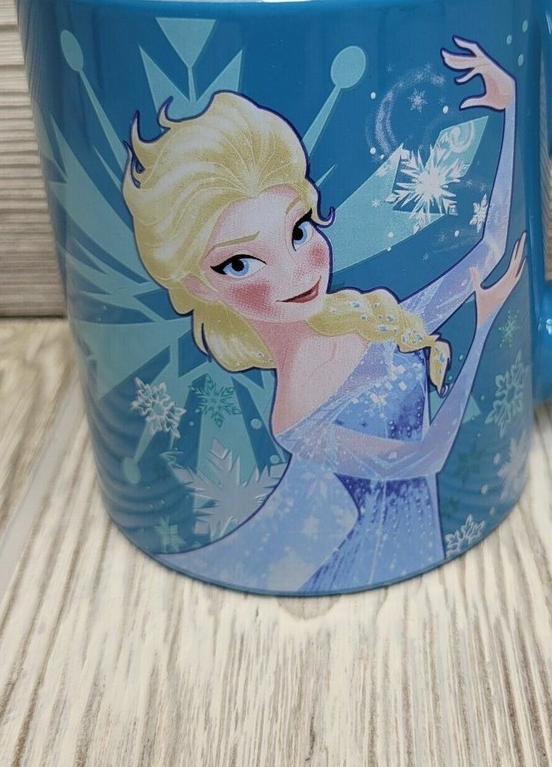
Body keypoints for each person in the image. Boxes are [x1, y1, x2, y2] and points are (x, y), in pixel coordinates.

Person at [122, 37, 525, 592]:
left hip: (429, 552)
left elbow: (489, 249)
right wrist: (479, 331)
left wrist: (513, 106)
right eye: (240, 263)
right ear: (198, 284)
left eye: (297, 230)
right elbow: (426, 458)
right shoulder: (295, 420)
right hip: (379, 566)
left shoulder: (366, 322)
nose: (294, 271)